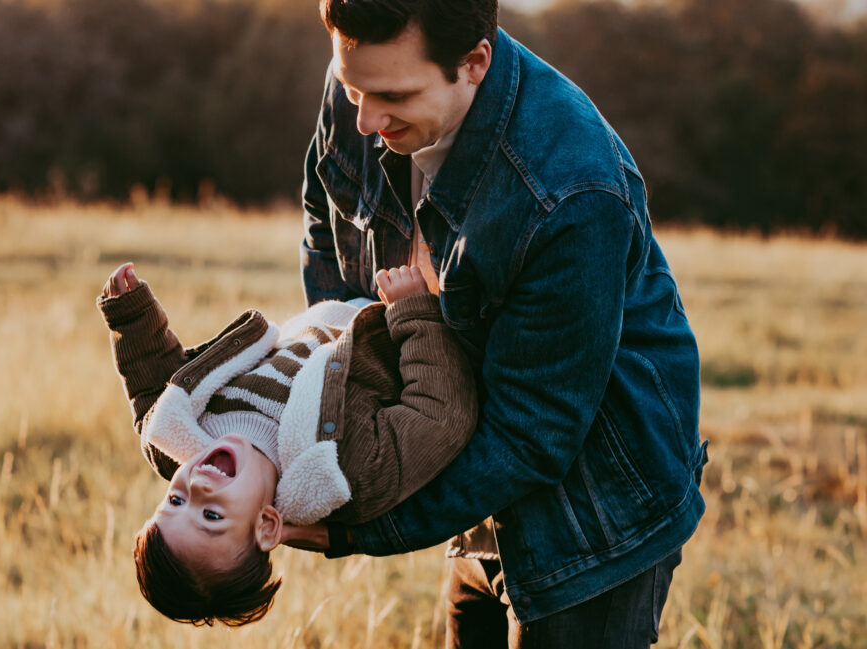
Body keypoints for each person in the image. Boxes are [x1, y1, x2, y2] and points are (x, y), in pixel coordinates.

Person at [289, 0, 709, 647]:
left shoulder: (569, 188)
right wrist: (355, 375)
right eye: (352, 89)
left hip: (593, 515)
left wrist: (359, 528)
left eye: (391, 96)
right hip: (472, 466)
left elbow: (532, 432)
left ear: (474, 62)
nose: (365, 119)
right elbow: (324, 211)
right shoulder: (367, 79)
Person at [97, 262, 477, 626]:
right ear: (265, 525)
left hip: (332, 301)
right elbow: (439, 417)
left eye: (174, 502)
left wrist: (131, 318)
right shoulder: (343, 470)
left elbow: (152, 389)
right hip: (397, 308)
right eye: (211, 516)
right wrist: (413, 313)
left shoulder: (178, 441)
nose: (194, 486)